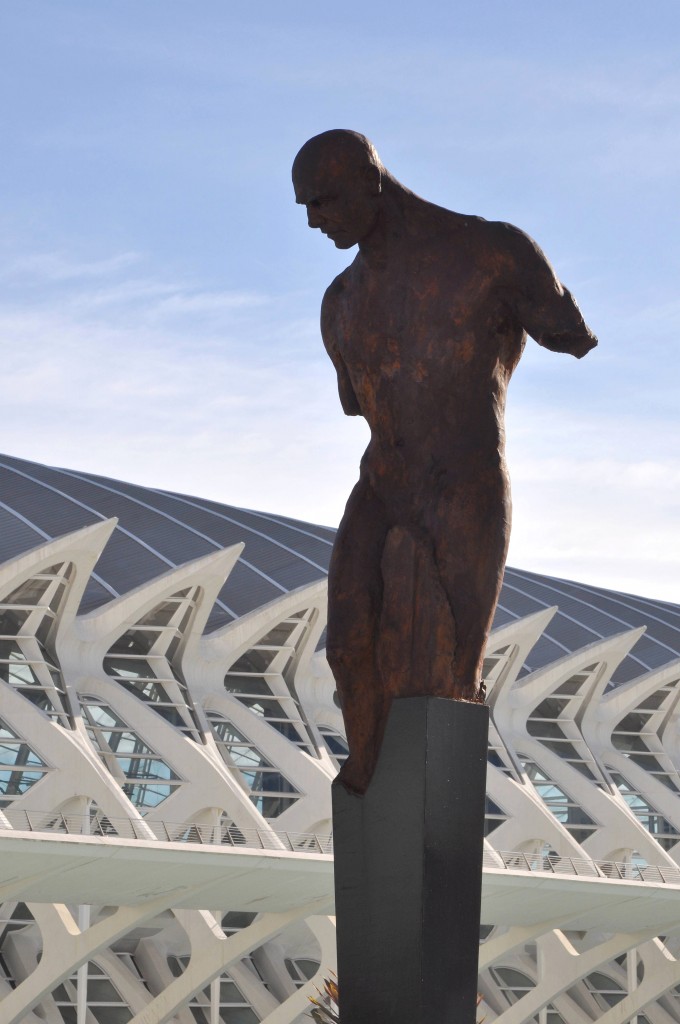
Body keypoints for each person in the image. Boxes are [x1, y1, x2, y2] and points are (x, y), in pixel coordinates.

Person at [293, 130, 597, 794]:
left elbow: (567, 330)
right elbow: (360, 403)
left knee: (446, 677)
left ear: (372, 181)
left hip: (464, 485)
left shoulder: (490, 253)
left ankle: (419, 820)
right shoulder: (339, 302)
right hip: (381, 485)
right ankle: (372, 793)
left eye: (323, 202)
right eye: (305, 208)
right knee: (347, 646)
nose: (314, 220)